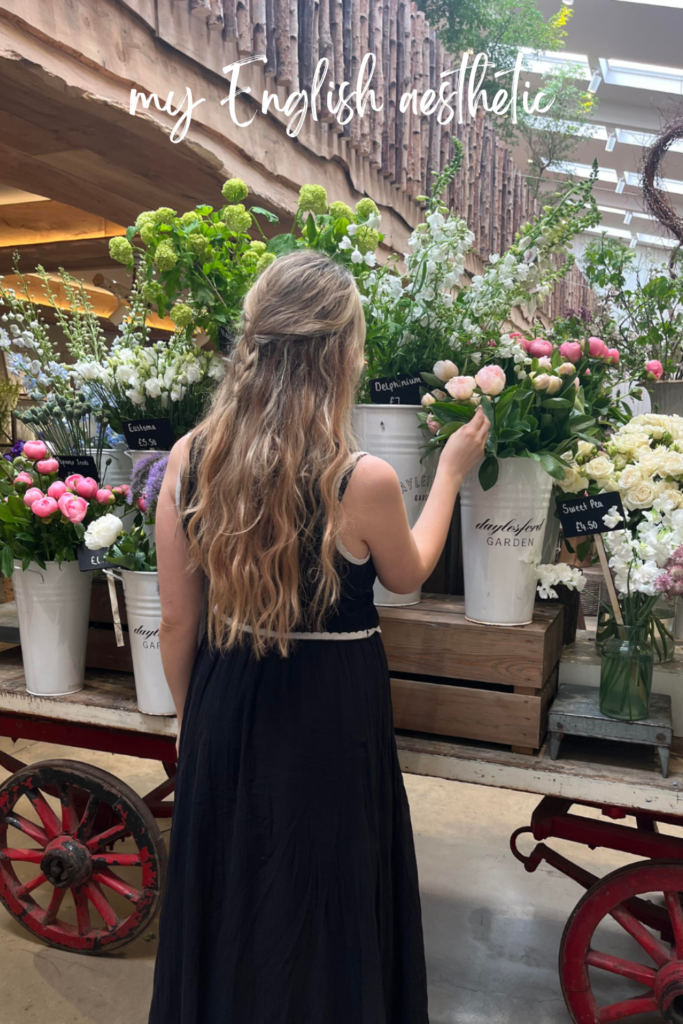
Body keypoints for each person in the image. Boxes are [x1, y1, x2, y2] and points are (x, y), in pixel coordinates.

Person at [149, 249, 489, 1024]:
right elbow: (409, 573)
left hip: (225, 698)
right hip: (330, 712)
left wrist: (191, 723)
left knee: (235, 897)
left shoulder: (190, 459)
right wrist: (448, 473)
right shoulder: (356, 477)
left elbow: (176, 621)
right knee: (325, 896)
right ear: (339, 352)